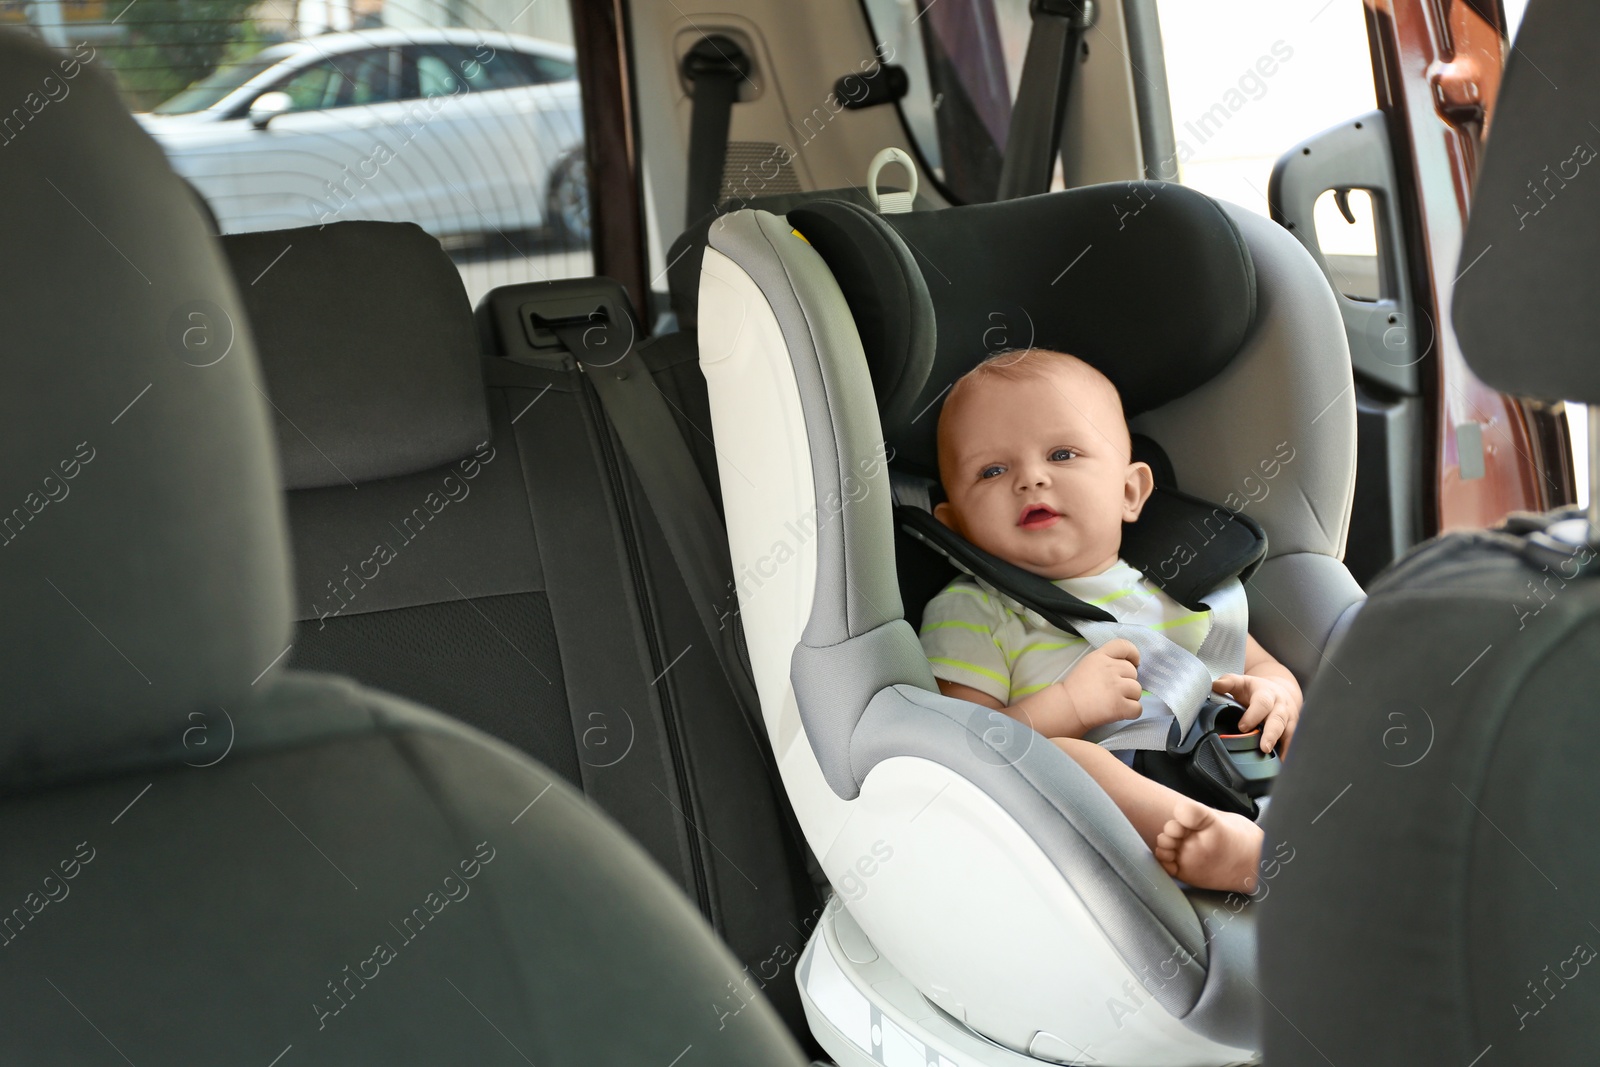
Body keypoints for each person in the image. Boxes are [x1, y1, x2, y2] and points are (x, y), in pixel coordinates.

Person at [918, 347, 1303, 893]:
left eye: (1062, 454)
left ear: (1129, 491)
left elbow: (1260, 662)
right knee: (1065, 757)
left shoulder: (1177, 586)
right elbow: (969, 748)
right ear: (954, 526)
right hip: (1098, 804)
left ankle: (1272, 841)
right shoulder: (972, 611)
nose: (1030, 479)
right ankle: (1218, 847)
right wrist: (1069, 706)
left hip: (1221, 762)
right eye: (992, 470)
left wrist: (1277, 693)